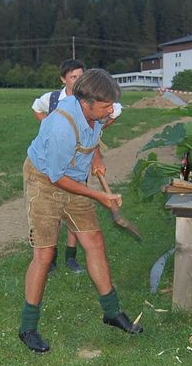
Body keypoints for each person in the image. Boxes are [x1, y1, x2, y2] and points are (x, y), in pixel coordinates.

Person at [20, 68, 142, 353]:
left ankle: (111, 312)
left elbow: (92, 135)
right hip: (45, 182)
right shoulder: (61, 124)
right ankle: (27, 328)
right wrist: (99, 196)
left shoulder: (94, 113)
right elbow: (56, 177)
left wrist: (96, 156)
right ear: (85, 102)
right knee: (44, 254)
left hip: (73, 180)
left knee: (94, 241)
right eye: (105, 105)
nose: (111, 110)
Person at [31, 59, 123, 274]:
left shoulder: (97, 101)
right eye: (73, 76)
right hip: (53, 168)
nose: (78, 80)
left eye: (81, 76)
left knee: (78, 215)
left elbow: (92, 133)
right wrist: (48, 125)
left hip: (76, 169)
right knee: (51, 218)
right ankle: (48, 257)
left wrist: (96, 157)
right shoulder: (57, 101)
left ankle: (70, 256)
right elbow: (38, 111)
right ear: (64, 79)